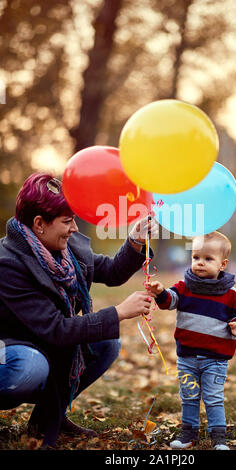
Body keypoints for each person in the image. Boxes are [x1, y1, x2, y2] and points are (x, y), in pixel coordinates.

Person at [0, 172, 157, 448]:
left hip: (41, 344)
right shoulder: (8, 265)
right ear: (39, 224)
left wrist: (135, 239)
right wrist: (118, 312)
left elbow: (111, 271)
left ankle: (48, 418)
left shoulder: (65, 250)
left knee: (106, 340)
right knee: (30, 365)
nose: (74, 228)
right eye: (67, 221)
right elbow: (57, 329)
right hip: (8, 349)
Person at [148, 231, 236, 450]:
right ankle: (188, 434)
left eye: (208, 259)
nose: (200, 263)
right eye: (196, 258)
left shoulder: (231, 293)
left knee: (213, 398)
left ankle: (218, 438)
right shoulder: (184, 286)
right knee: (189, 397)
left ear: (223, 264)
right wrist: (160, 292)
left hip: (215, 359)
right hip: (187, 357)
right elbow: (170, 300)